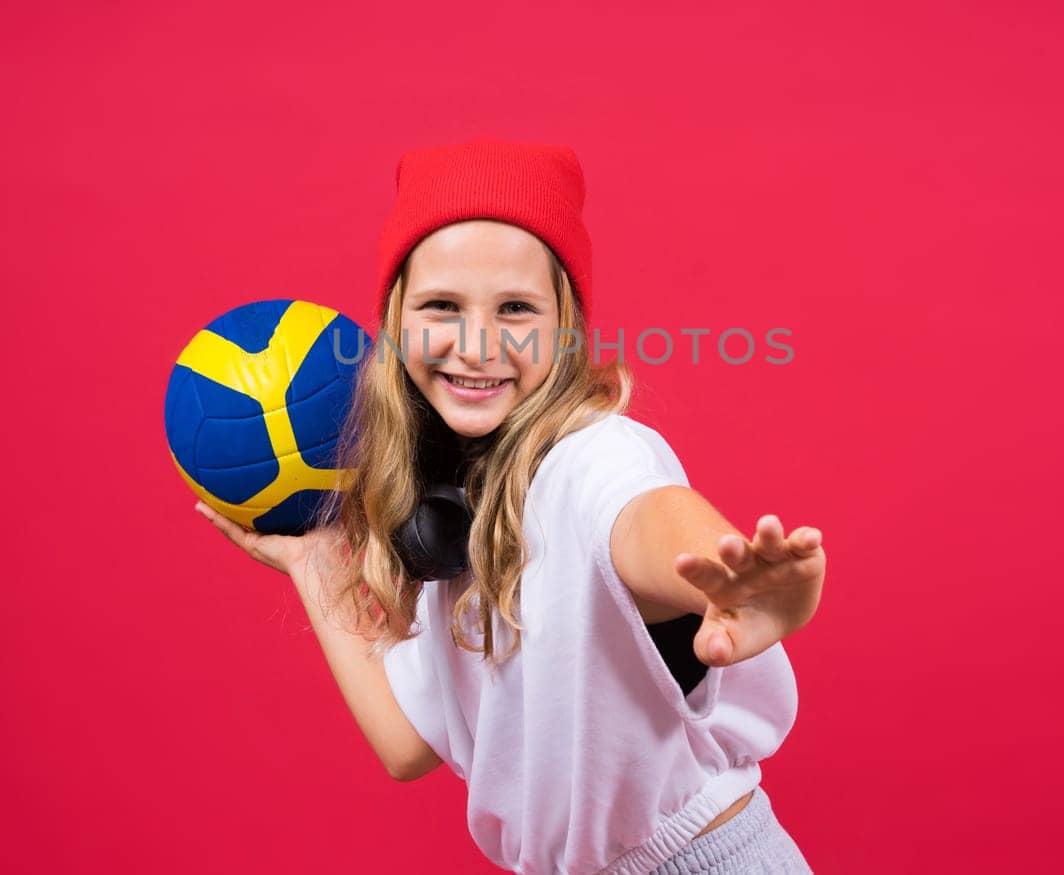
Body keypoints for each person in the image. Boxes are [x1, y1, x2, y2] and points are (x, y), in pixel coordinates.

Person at [197, 136, 824, 873]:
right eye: (442, 305)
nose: (477, 341)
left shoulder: (590, 458)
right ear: (396, 321)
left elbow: (646, 516)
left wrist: (723, 576)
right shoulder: (456, 513)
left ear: (566, 328)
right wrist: (314, 558)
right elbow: (405, 744)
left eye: (517, 308)